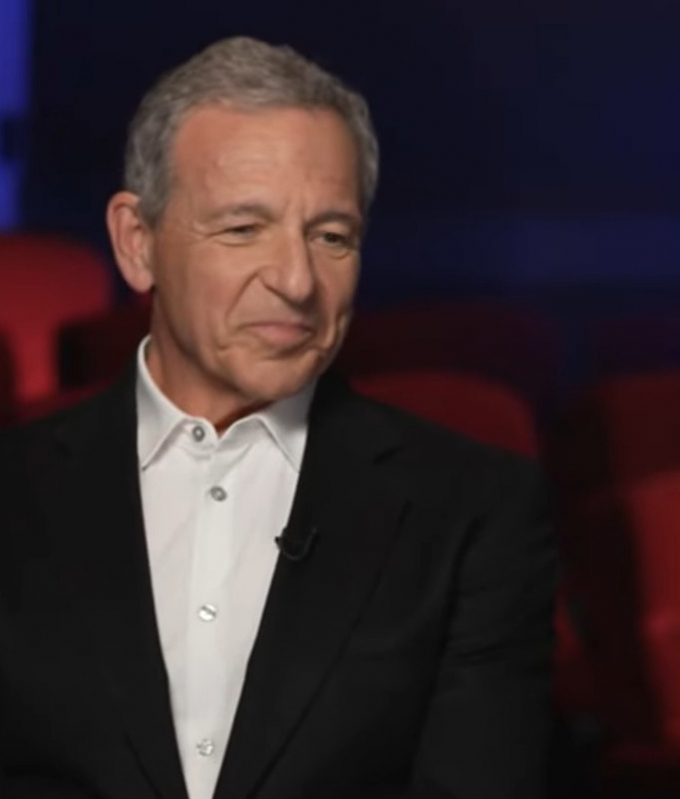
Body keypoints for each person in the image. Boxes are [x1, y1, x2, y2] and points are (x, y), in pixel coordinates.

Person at [0, 37, 557, 799]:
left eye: (332, 236)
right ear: (137, 243)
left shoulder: (473, 511)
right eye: (243, 228)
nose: (297, 280)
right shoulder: (15, 492)